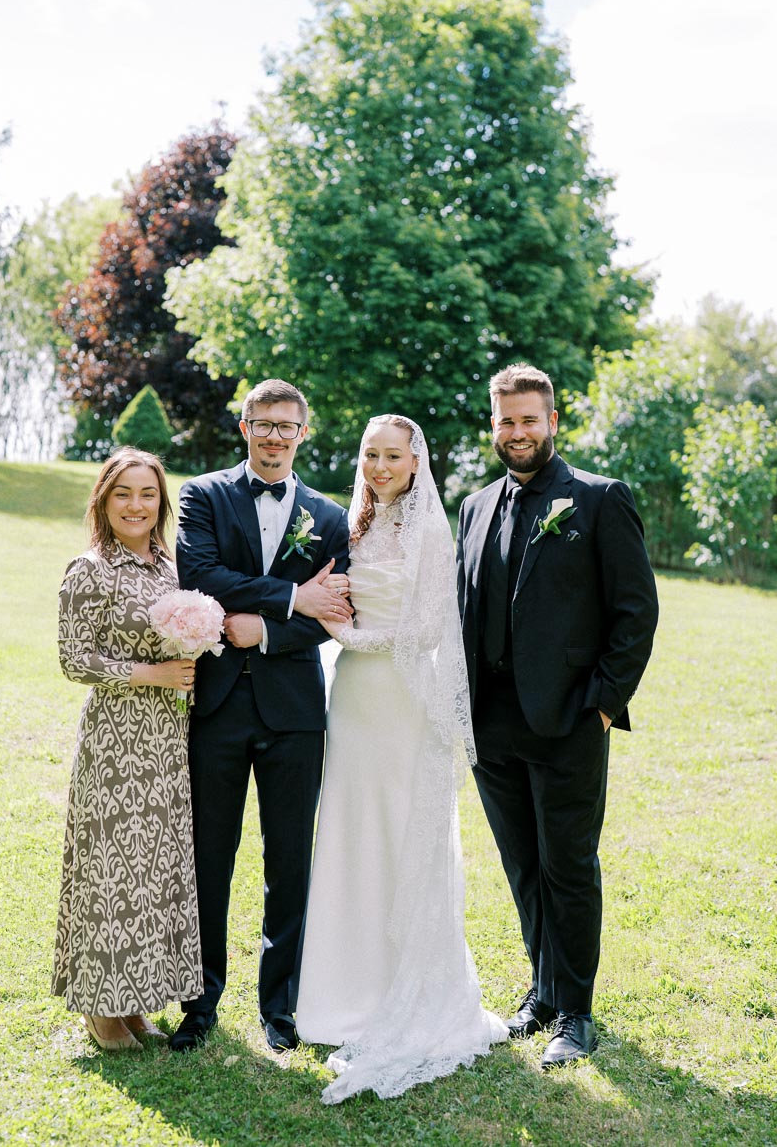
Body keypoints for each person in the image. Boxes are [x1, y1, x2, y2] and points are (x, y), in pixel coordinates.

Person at [296, 415, 509, 1103]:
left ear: (416, 462)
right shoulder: (349, 525)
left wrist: (341, 633)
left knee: (398, 833)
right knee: (351, 830)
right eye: (371, 455)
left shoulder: (427, 530)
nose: (380, 466)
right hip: (352, 702)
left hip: (400, 698)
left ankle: (402, 990)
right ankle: (343, 993)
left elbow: (424, 628)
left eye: (393, 456)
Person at [456, 364, 659, 1068]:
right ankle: (542, 993)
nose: (517, 432)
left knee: (568, 865)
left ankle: (575, 1012)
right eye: (506, 421)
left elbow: (636, 612)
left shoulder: (599, 499)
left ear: (552, 422)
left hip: (569, 719)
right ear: (494, 425)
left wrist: (602, 705)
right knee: (522, 866)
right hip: (491, 724)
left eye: (528, 420)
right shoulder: (475, 505)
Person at [171, 379, 351, 1054]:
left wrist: (270, 628)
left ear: (303, 433)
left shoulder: (330, 519)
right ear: (243, 427)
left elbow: (337, 614)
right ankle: (200, 1001)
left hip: (296, 711)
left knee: (290, 864)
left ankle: (280, 1008)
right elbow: (201, 574)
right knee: (208, 858)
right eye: (263, 424)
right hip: (216, 705)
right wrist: (291, 596)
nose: (275, 436)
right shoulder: (204, 495)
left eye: (287, 426)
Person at [53, 447, 203, 1051]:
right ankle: (99, 1005)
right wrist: (151, 675)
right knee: (111, 865)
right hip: (117, 737)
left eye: (147, 494)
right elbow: (72, 658)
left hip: (170, 740)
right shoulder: (89, 569)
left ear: (160, 502)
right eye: (123, 494)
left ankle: (135, 998)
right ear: (104, 501)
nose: (136, 505)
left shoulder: (171, 567)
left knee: (152, 870)